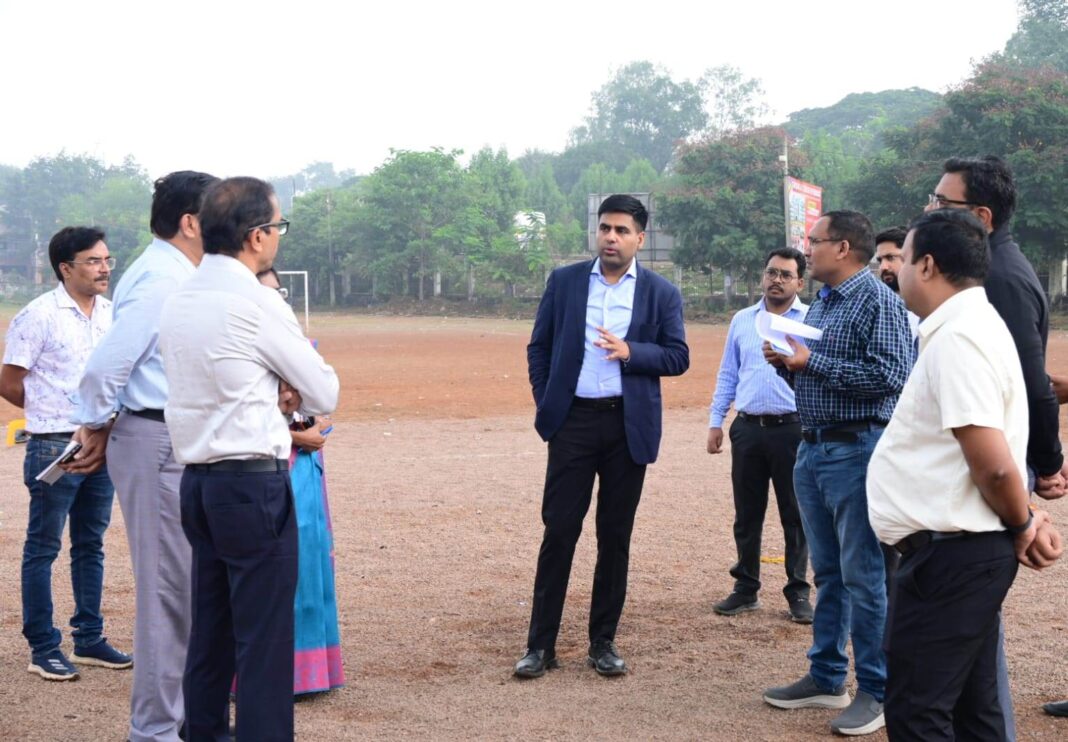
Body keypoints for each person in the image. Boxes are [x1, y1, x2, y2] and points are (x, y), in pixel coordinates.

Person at [868, 208, 1061, 739]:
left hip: (952, 555)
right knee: (973, 711)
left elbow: (992, 461)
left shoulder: (959, 337)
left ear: (926, 265)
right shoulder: (968, 326)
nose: (895, 269)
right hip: (959, 550)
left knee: (918, 709)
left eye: (902, 258)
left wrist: (1023, 521)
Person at [159, 177, 339, 741]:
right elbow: (323, 392)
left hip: (198, 483)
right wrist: (285, 387)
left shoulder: (180, 296)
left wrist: (273, 386)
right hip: (252, 484)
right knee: (263, 642)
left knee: (210, 633)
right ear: (257, 236)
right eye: (277, 227)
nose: (277, 238)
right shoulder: (257, 301)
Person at [67, 171, 217, 742]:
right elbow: (108, 366)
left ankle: (179, 719)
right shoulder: (161, 277)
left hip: (173, 439)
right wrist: (99, 420)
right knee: (167, 595)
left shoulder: (179, 272)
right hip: (157, 440)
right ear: (190, 222)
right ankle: (154, 731)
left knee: (187, 589)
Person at [514, 194, 689, 679]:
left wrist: (632, 350)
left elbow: (677, 357)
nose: (611, 237)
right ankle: (540, 646)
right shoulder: (566, 282)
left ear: (640, 238)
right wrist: (546, 399)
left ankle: (602, 642)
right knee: (559, 532)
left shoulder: (660, 293)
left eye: (622, 230)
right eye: (605, 228)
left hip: (626, 427)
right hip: (572, 423)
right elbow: (540, 346)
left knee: (615, 536)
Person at [925, 156, 1068, 726]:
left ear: (981, 216)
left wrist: (1047, 462)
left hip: (991, 476)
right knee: (975, 638)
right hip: (985, 475)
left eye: (942, 203)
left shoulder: (1000, 279)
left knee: (969, 633)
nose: (929, 210)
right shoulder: (990, 271)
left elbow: (1032, 384)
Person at [761, 210, 912, 737]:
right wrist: (788, 362)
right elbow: (819, 365)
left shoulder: (881, 302)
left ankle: (877, 688)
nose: (808, 249)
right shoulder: (824, 301)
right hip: (815, 447)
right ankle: (827, 676)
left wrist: (811, 365)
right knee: (827, 572)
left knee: (865, 576)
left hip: (858, 448)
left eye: (815, 241)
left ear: (843, 248)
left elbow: (891, 377)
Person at [0, 226, 131, 681]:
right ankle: (42, 646)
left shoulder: (114, 314)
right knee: (43, 547)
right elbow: (10, 378)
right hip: (54, 445)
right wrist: (48, 413)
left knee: (91, 544)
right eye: (94, 261)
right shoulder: (37, 316)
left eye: (107, 260)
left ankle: (89, 638)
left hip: (104, 441)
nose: (104, 268)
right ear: (65, 267)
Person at [707, 247, 811, 623]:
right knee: (747, 514)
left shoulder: (810, 321)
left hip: (794, 429)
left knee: (795, 514)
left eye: (785, 274)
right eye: (771, 272)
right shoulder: (742, 320)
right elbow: (727, 374)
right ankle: (745, 587)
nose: (776, 279)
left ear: (800, 282)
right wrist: (716, 421)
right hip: (748, 428)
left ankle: (798, 591)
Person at [257, 268, 345, 696]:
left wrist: (308, 423)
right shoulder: (242, 345)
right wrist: (295, 433)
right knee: (277, 568)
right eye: (268, 291)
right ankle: (272, 673)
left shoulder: (294, 345)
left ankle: (313, 672)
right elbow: (242, 414)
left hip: (304, 468)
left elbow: (315, 398)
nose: (279, 299)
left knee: (310, 560)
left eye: (281, 292)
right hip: (267, 466)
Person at [873, 226, 919, 337]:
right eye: (880, 260)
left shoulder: (929, 309)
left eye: (890, 258)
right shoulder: (877, 308)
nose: (883, 267)